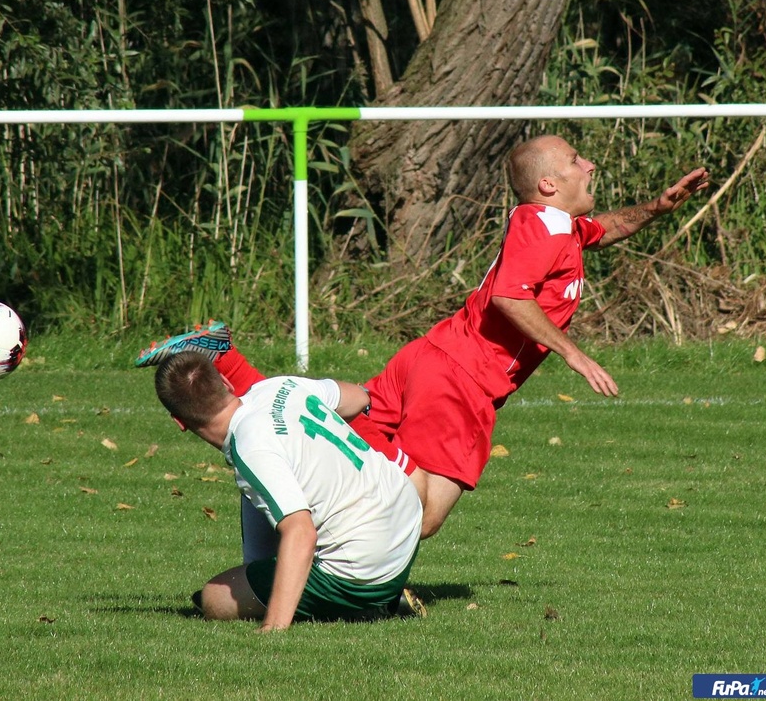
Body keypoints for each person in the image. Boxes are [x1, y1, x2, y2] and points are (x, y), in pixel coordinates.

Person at [138, 135, 710, 541]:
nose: (589, 164)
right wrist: (575, 354)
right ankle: (351, 579)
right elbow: (511, 296)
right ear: (548, 182)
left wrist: (658, 208)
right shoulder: (542, 226)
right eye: (575, 159)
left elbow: (600, 229)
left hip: (432, 359)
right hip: (462, 380)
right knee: (419, 515)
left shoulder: (552, 223)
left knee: (327, 437)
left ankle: (224, 358)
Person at [153, 351, 422, 631]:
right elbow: (359, 396)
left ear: (179, 422)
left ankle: (372, 605)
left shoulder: (251, 446)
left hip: (366, 563)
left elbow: (301, 532)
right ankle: (273, 578)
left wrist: (273, 628)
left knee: (214, 598)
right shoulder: (277, 386)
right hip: (406, 514)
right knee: (266, 497)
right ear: (225, 382)